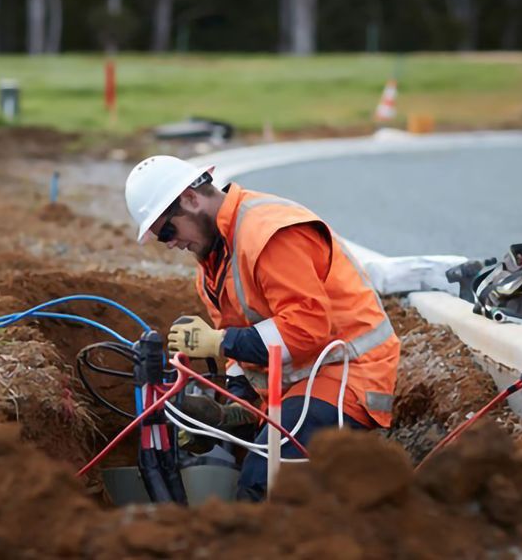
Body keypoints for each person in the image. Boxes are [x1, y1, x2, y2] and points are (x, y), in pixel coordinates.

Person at [124, 155, 400, 501]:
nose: (170, 243)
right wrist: (229, 413)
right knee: (253, 464)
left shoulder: (268, 233)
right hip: (296, 384)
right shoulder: (213, 264)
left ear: (191, 198)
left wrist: (221, 342)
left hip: (348, 375)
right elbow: (244, 359)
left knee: (262, 482)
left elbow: (307, 329)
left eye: (167, 230)